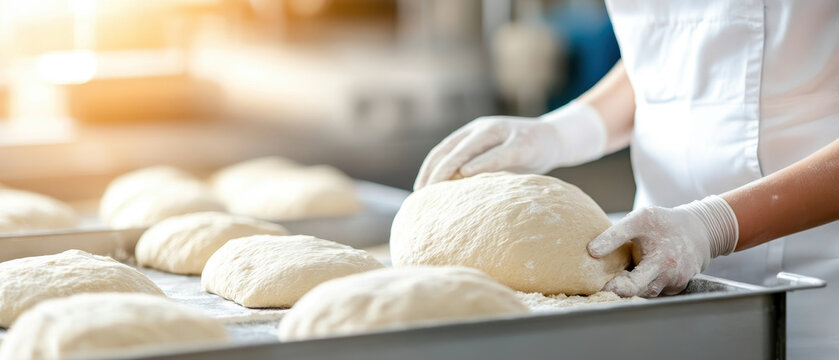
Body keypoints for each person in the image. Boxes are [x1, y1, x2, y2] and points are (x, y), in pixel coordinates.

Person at [413, 1, 838, 358]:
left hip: (817, 290)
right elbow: (671, 51)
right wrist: (564, 131)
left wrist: (716, 224)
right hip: (653, 280)